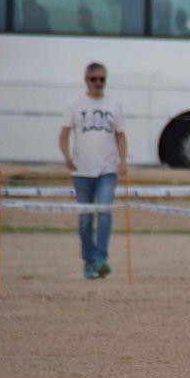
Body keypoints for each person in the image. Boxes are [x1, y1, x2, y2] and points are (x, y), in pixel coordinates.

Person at [58, 62, 126, 280]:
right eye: (93, 79)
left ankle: (101, 258)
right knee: (86, 219)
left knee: (105, 213)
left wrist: (122, 160)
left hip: (107, 168)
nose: (98, 83)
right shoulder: (75, 104)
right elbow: (64, 133)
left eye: (101, 79)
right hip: (81, 170)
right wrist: (67, 156)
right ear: (86, 80)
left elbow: (120, 134)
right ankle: (89, 261)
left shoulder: (114, 104)